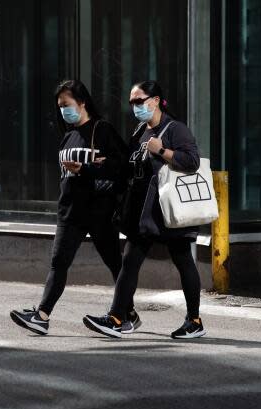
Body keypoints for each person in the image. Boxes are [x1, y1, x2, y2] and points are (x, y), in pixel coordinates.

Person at [10, 79, 140, 335]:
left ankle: (128, 314)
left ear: (82, 103)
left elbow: (123, 167)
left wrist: (91, 168)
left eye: (66, 105)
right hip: (70, 212)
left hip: (99, 211)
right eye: (59, 106)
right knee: (59, 263)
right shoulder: (68, 136)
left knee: (115, 264)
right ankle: (42, 315)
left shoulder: (102, 130)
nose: (63, 111)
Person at [82, 80, 206, 339]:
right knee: (130, 261)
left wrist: (162, 150)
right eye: (132, 102)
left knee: (183, 260)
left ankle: (194, 320)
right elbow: (129, 168)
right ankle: (118, 317)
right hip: (144, 211)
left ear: (156, 100)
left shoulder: (175, 129)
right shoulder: (140, 131)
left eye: (139, 101)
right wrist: (102, 165)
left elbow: (192, 161)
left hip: (169, 210)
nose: (135, 106)